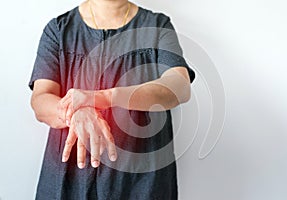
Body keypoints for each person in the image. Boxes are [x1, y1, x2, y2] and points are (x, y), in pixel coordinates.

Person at [29, 0, 195, 199]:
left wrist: (102, 97)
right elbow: (40, 100)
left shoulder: (157, 26)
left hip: (142, 178)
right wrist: (77, 112)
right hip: (69, 174)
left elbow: (179, 86)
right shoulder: (59, 29)